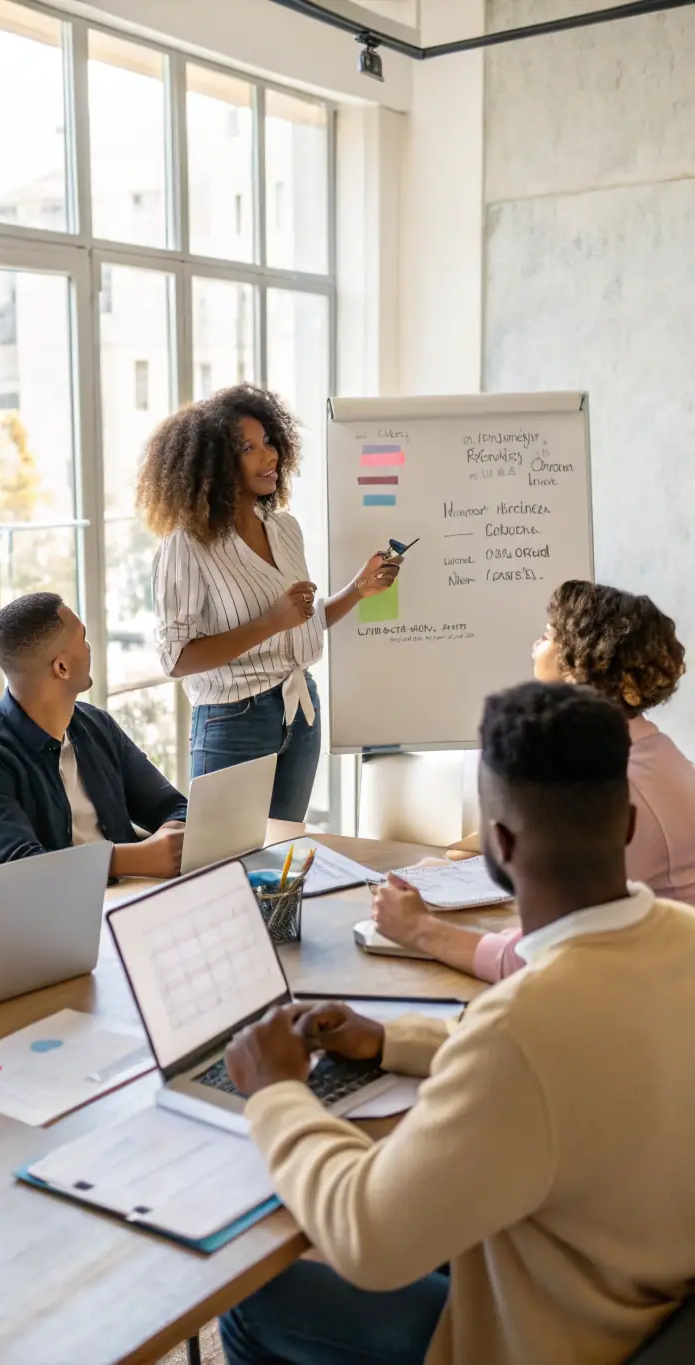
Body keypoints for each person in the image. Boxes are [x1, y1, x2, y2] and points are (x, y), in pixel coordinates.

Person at [219, 681, 695, 1365]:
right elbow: (571, 1055)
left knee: (256, 1302)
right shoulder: (677, 938)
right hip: (644, 1299)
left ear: (498, 844)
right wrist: (389, 1039)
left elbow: (366, 1236)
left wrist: (275, 1093)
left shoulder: (522, 1029)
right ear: (626, 822)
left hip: (550, 1336)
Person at [373, 579, 695, 981]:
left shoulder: (617, 787)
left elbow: (545, 958)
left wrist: (418, 929)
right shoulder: (648, 752)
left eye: (547, 635)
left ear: (580, 666)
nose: (535, 646)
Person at [138, 384, 400, 822]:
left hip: (300, 711)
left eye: (269, 442)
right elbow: (177, 658)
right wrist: (272, 620)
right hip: (232, 721)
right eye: (249, 448)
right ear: (216, 465)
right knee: (221, 866)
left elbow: (299, 623)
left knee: (282, 861)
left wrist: (357, 590)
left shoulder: (284, 529)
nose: (270, 455)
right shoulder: (186, 545)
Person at [0, 593, 188, 877]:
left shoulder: (96, 725)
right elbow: (13, 872)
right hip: (50, 919)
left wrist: (172, 835)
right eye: (83, 639)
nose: (89, 648)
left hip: (131, 905)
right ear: (62, 668)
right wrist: (137, 858)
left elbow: (172, 806)